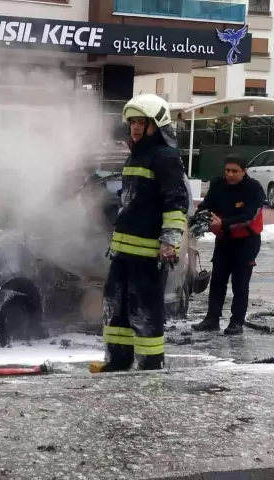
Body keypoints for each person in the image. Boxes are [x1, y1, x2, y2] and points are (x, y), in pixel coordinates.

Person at [91, 93, 189, 372]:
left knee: (144, 309)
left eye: (141, 122)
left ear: (156, 124)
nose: (134, 127)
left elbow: (176, 202)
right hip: (123, 252)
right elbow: (131, 201)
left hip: (147, 253)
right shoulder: (137, 157)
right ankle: (118, 359)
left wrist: (170, 241)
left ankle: (149, 363)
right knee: (115, 305)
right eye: (132, 121)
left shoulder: (165, 157)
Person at [192, 153, 265, 335]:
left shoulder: (253, 188)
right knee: (218, 280)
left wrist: (222, 223)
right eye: (227, 170)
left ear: (244, 171)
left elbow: (248, 216)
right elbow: (207, 204)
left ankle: (236, 322)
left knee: (240, 283)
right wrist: (198, 216)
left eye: (235, 171)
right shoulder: (218, 185)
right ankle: (212, 319)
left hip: (246, 241)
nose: (230, 174)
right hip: (224, 240)